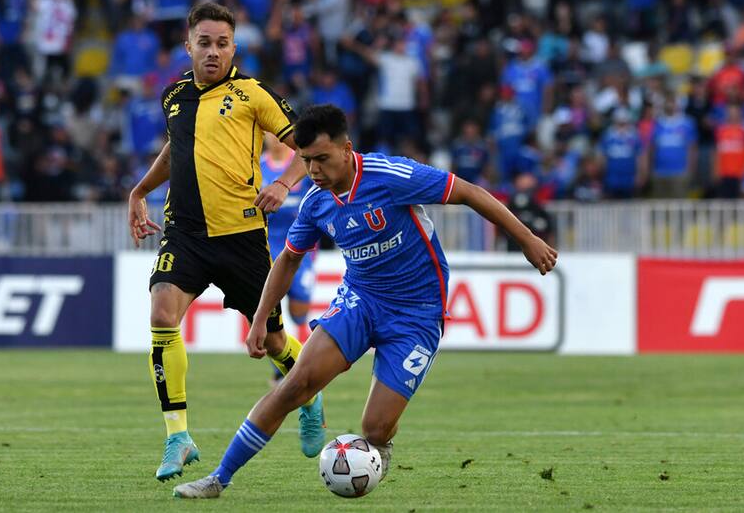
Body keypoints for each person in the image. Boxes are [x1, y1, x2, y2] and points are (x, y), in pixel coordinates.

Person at [172, 104, 558, 498]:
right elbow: (288, 259)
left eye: (322, 159)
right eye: (306, 161)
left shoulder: (391, 176)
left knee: (373, 428)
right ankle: (219, 479)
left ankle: (382, 443)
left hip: (418, 312)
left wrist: (527, 240)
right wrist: (258, 320)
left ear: (346, 149)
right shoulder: (315, 203)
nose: (314, 170)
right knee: (295, 384)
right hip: (361, 299)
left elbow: (469, 193)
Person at [126, 2, 324, 483]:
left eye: (222, 43)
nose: (213, 51)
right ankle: (178, 437)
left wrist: (283, 184)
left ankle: (310, 393)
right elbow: (177, 148)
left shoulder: (252, 93)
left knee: (274, 341)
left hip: (241, 238)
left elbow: (307, 143)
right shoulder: (174, 96)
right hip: (186, 234)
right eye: (204, 42)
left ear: (233, 48)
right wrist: (140, 190)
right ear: (187, 45)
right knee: (161, 314)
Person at [259, 132, 316, 385]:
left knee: (299, 310)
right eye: (269, 133)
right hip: (267, 246)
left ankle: (301, 356)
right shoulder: (257, 166)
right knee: (272, 305)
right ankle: (280, 367)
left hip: (301, 245)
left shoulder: (301, 163)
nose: (276, 139)